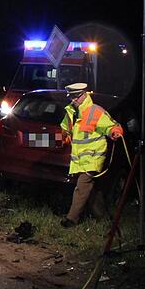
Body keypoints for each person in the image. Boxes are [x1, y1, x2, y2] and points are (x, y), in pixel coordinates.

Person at [59, 82, 124, 228]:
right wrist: (44, 139)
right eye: (71, 97)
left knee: (82, 186)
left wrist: (114, 132)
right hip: (80, 159)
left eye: (76, 97)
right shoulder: (71, 111)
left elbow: (111, 126)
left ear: (84, 95)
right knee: (91, 190)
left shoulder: (95, 111)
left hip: (94, 157)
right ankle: (104, 219)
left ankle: (71, 219)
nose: (73, 100)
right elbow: (64, 130)